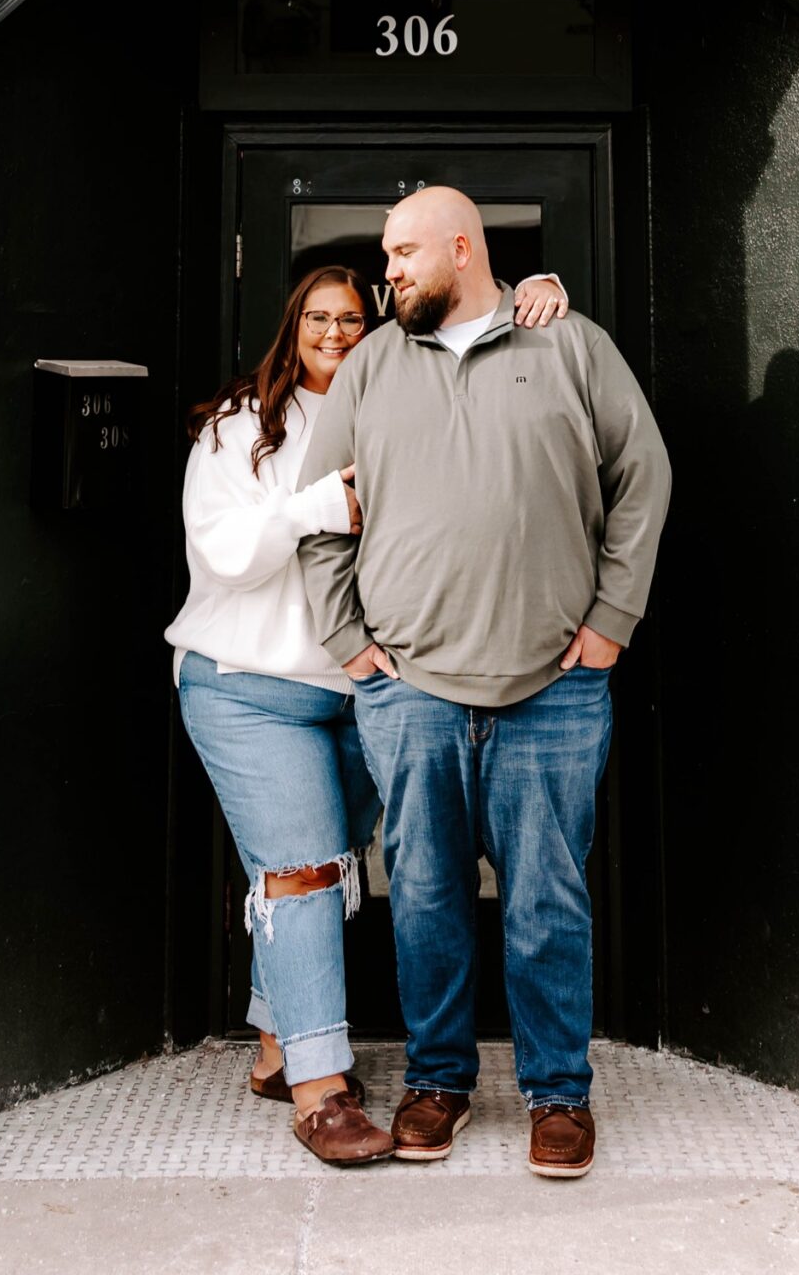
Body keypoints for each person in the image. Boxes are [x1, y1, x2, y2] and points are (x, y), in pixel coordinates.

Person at [297, 188, 671, 1182]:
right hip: (411, 688)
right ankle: (438, 1082)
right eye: (386, 253)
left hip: (552, 690)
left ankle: (559, 1094)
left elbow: (646, 476)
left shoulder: (570, 345)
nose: (390, 270)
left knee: (548, 899)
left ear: (461, 249)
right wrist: (348, 640)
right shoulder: (371, 366)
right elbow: (317, 509)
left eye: (405, 251)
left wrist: (611, 623)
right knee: (422, 894)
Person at [166, 254, 570, 1168]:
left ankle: (275, 1045)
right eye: (318, 318)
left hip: (364, 696)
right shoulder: (238, 427)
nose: (335, 336)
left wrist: (538, 287)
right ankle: (321, 1090)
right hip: (248, 686)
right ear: (290, 325)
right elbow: (229, 554)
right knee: (303, 875)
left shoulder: (398, 410)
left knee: (322, 873)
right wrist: (317, 503)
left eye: (352, 320)